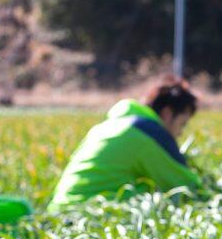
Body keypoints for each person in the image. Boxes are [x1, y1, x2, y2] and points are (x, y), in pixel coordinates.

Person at [48, 77, 202, 211]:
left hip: (60, 210)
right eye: (182, 124)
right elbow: (189, 188)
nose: (180, 133)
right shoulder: (150, 133)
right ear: (167, 114)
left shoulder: (108, 126)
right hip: (89, 214)